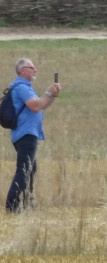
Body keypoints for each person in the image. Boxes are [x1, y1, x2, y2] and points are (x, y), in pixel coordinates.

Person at [5, 59, 61, 213]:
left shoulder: (23, 87)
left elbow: (41, 104)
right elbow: (36, 106)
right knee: (24, 169)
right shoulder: (22, 87)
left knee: (30, 168)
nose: (35, 70)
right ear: (22, 70)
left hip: (24, 134)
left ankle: (27, 202)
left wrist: (51, 96)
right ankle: (13, 206)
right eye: (32, 68)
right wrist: (48, 93)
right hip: (26, 134)